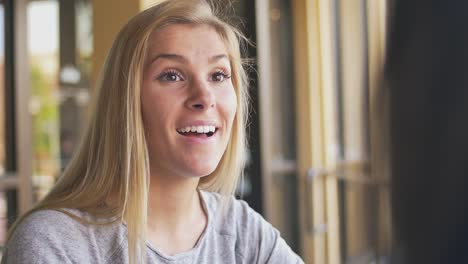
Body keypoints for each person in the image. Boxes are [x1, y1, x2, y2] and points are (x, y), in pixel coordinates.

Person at [1, 1, 303, 263]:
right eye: (172, 75)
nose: (205, 96)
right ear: (126, 102)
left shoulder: (241, 230)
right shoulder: (55, 243)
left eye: (218, 75)